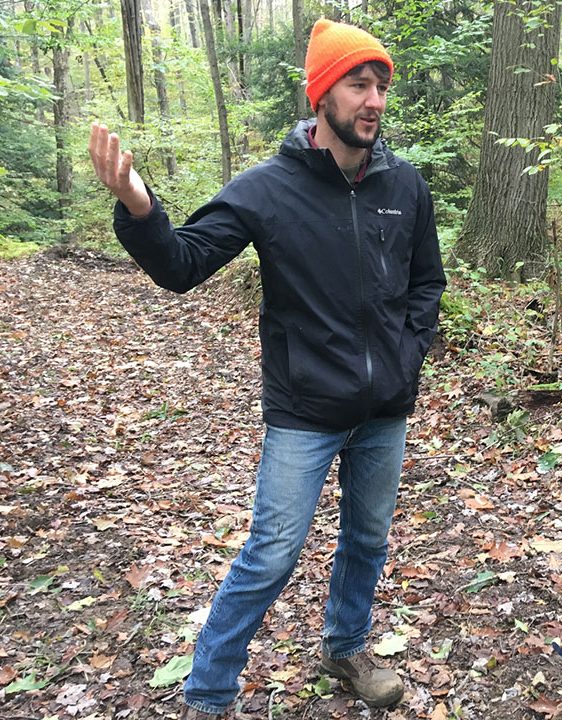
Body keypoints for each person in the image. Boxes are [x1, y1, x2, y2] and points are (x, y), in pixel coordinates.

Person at [88, 19, 446, 719]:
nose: (374, 100)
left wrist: (410, 351)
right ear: (322, 94)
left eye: (381, 86)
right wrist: (139, 205)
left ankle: (345, 647)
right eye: (358, 84)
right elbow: (181, 265)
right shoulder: (267, 189)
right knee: (274, 550)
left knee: (368, 538)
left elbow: (426, 282)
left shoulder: (405, 184)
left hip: (385, 407)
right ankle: (210, 691)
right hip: (306, 408)